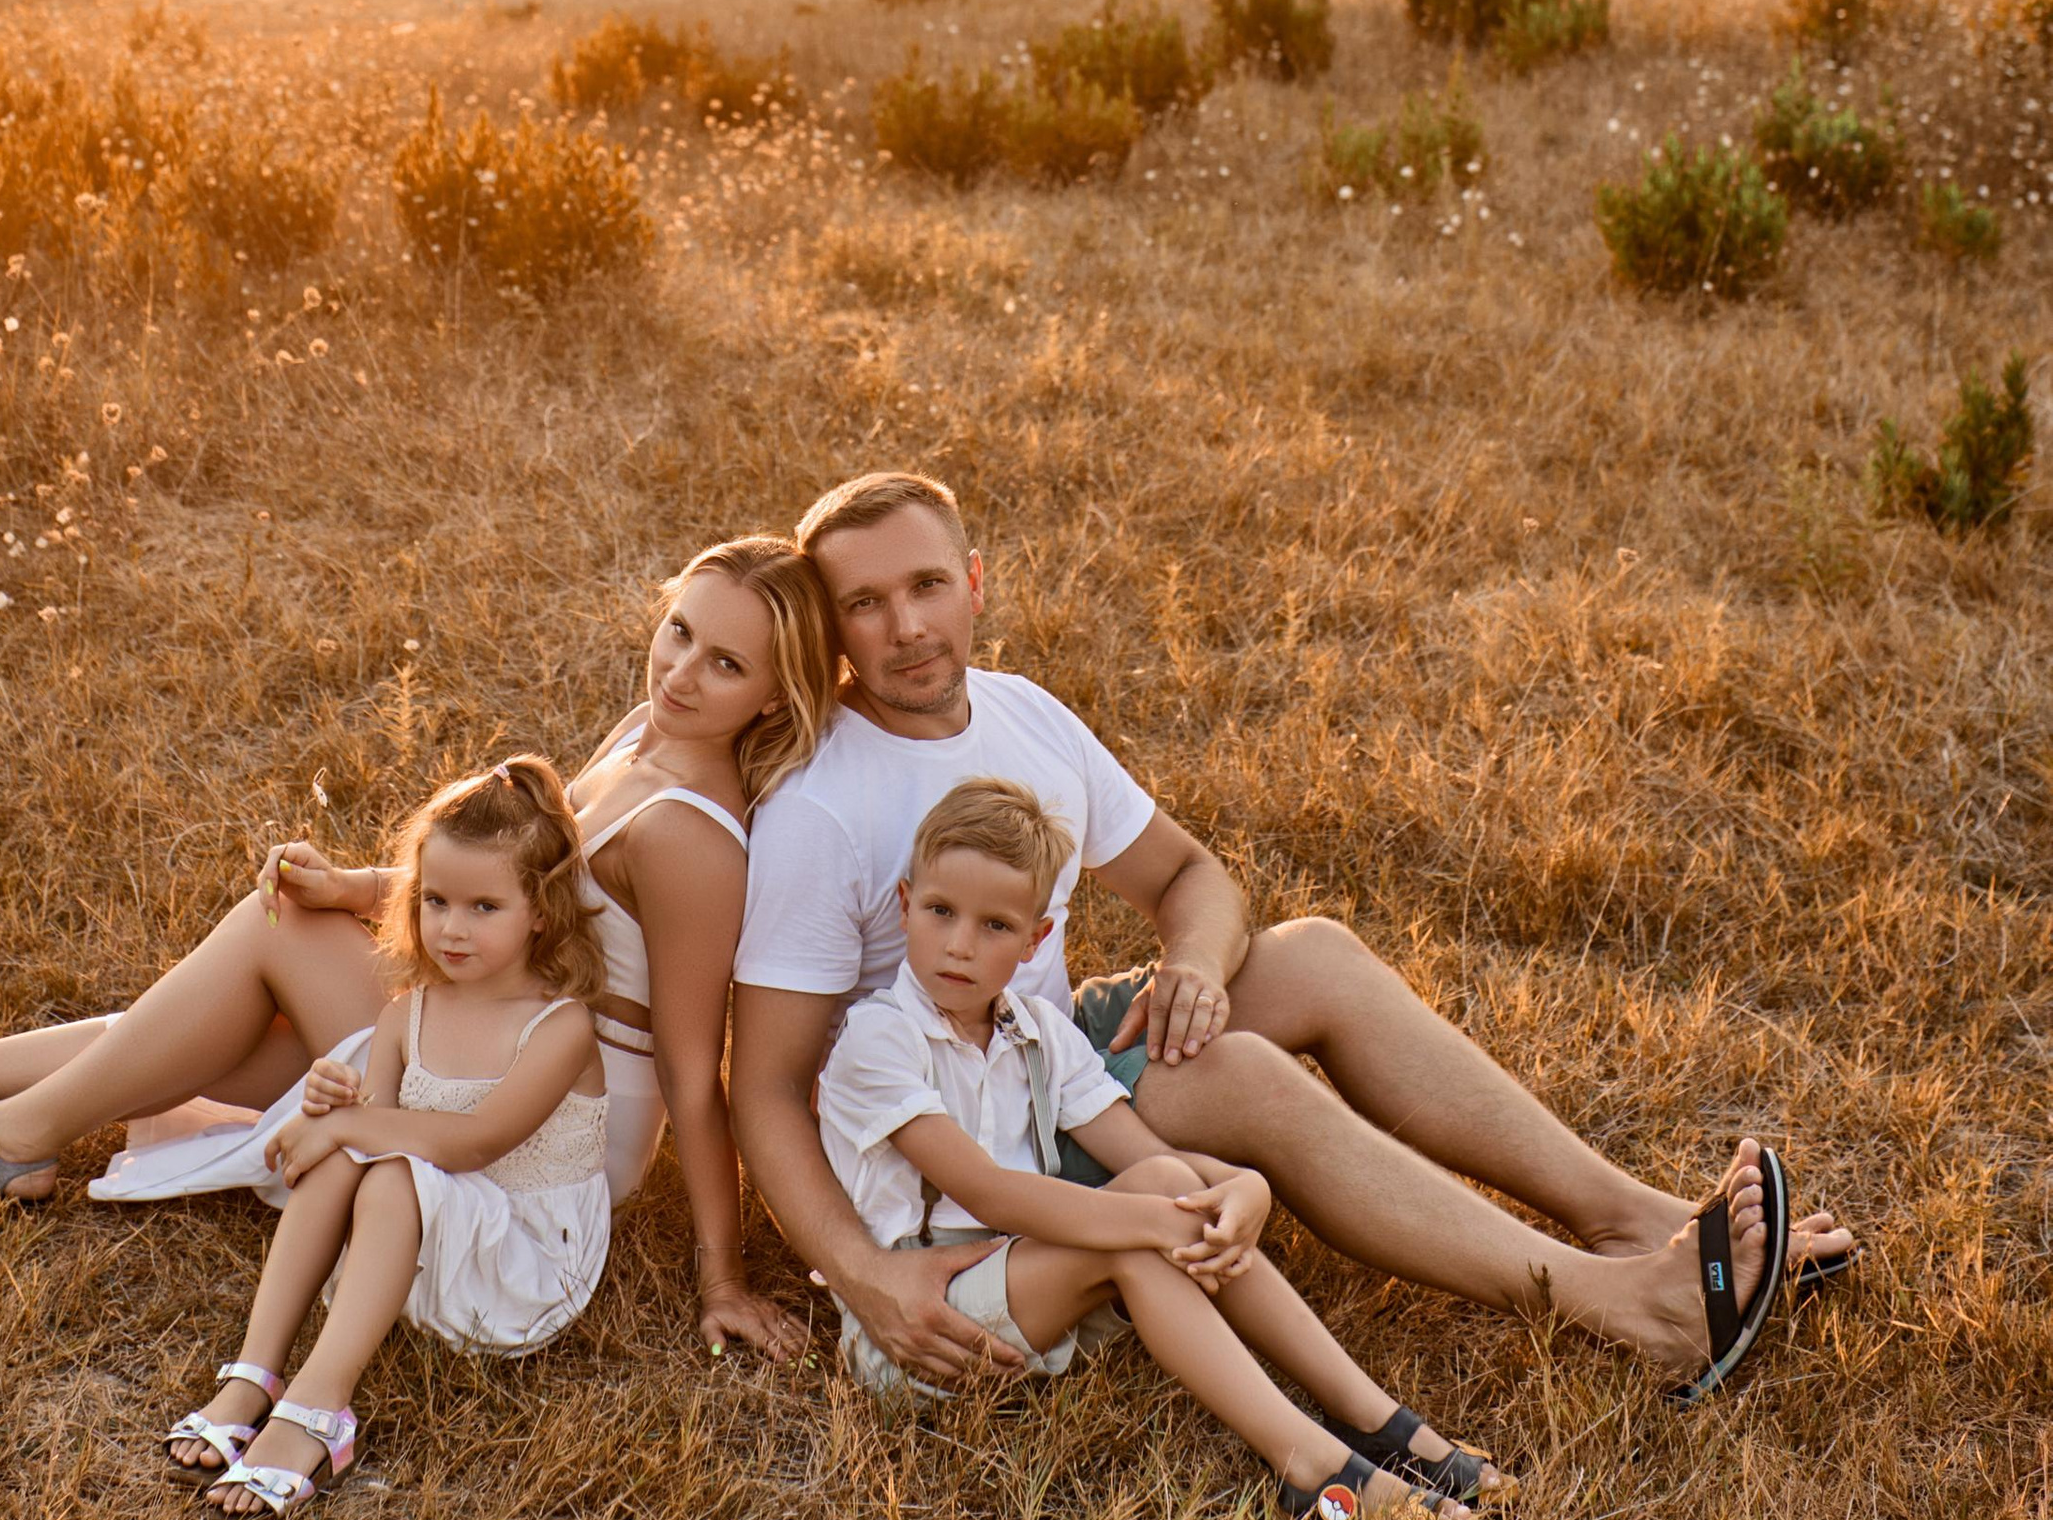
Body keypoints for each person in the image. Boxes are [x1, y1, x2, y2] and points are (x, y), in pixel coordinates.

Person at [731, 469, 1850, 1400]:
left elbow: (1187, 874)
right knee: (1236, 1073)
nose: (909, 626)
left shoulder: (1023, 710)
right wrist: (863, 1271)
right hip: (967, 1118)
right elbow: (767, 1086)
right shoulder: (820, 803)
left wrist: (1193, 966)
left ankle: (1641, 1221)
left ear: (974, 582)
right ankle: (1611, 1302)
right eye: (865, 604)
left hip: (1038, 1034)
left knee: (1312, 952)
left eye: (928, 585)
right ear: (830, 630)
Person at [0, 534, 834, 1357]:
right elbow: (532, 887)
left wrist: (719, 1282)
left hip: (549, 1101)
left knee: (275, 930)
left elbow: (700, 1076)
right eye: (679, 629)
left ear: (776, 692)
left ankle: (6, 1135)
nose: (682, 670)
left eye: (725, 665)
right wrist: (368, 885)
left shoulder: (697, 836)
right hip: (480, 1019)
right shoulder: (649, 731)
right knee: (209, 1026)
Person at [818, 778, 1500, 1520]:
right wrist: (1159, 1219)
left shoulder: (1037, 1029)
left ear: (1035, 940)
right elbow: (990, 1192)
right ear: (906, 903)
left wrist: (1244, 1186)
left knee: (1171, 1187)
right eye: (940, 911)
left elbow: (1148, 1157)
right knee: (1146, 1236)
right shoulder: (880, 1037)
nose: (960, 944)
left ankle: (1372, 1419)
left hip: (1021, 1280)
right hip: (920, 1326)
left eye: (995, 924)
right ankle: (1311, 1466)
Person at [175, 755, 609, 1520]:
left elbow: (477, 1141)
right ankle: (255, 1372)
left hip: (523, 1263)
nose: (451, 927)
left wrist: (354, 1124)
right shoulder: (404, 1016)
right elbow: (372, 1130)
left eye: (484, 907)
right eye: (435, 900)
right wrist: (333, 1105)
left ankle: (320, 1405)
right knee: (355, 1158)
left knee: (387, 1169)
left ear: (541, 911)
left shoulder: (560, 1026)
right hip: (413, 1251)